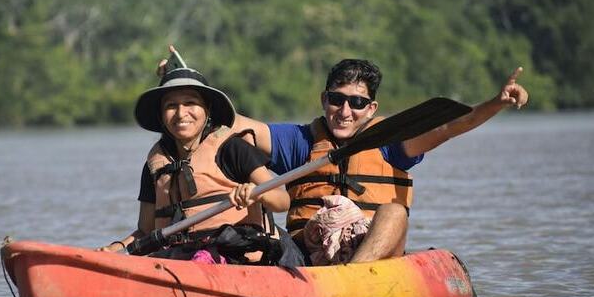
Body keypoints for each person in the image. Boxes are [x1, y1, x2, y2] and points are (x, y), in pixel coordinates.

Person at [158, 49, 529, 265]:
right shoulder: (301, 141)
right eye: (336, 100)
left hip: (370, 258)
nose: (345, 111)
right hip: (308, 254)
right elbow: (232, 120)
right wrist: (180, 81)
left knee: (395, 211)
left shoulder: (391, 142)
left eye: (357, 103)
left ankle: (353, 280)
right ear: (324, 100)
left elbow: (450, 127)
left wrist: (496, 103)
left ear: (372, 108)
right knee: (263, 233)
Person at [100, 56, 301, 266]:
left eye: (190, 103)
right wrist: (115, 249)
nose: (180, 113)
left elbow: (282, 201)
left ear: (207, 111)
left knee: (202, 260)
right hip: (178, 258)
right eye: (171, 105)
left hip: (237, 256)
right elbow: (145, 231)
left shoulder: (233, 149)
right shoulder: (155, 165)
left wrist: (256, 193)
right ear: (161, 115)